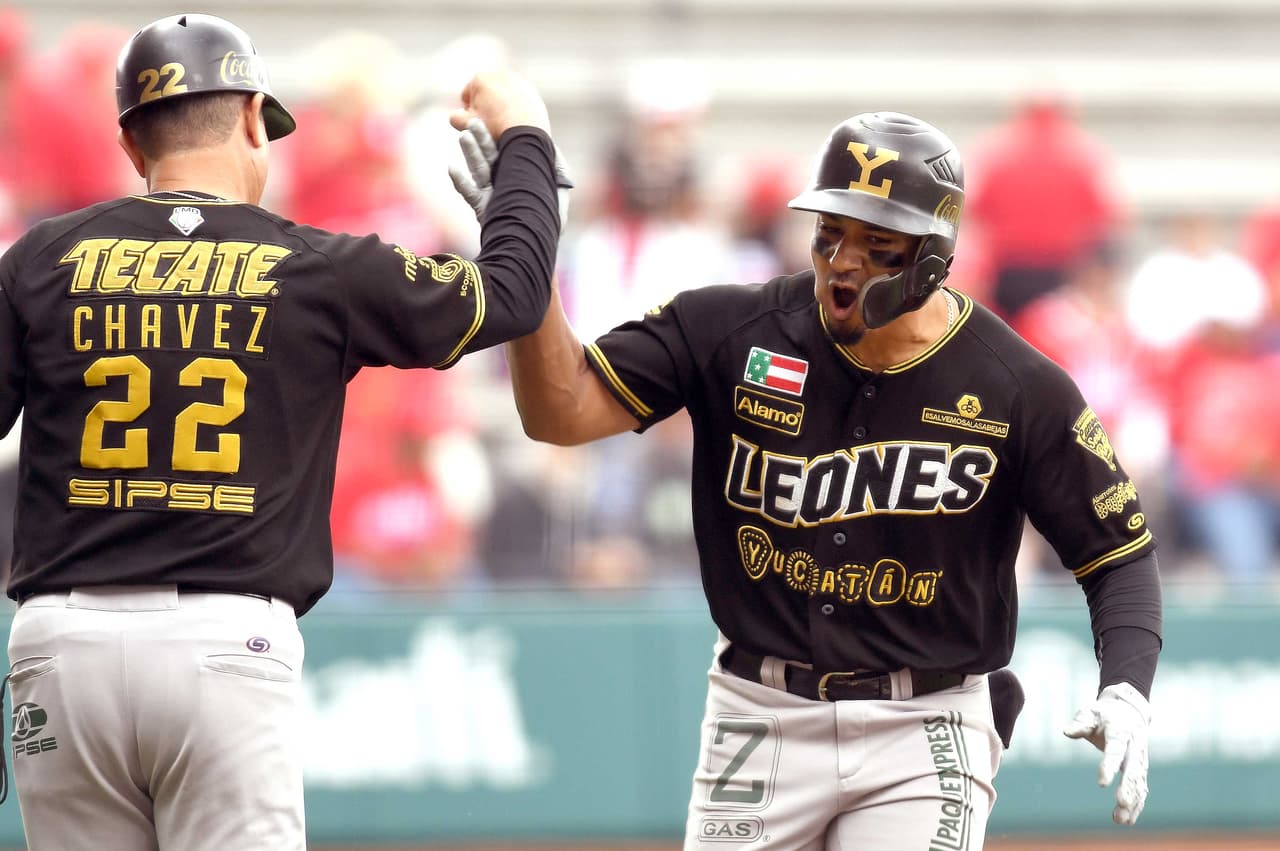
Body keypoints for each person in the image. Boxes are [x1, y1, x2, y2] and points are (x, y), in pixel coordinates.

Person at [453, 111, 1162, 846]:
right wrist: (524, 265)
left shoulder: (1018, 384)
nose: (843, 262)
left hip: (923, 721)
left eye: (876, 244)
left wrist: (1127, 688)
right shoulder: (732, 329)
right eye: (831, 234)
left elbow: (1118, 556)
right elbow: (559, 410)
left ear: (932, 258)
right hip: (758, 710)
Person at [0, 12, 561, 851]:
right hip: (225, 641)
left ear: (129, 142)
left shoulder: (38, 260)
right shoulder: (316, 267)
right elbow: (512, 295)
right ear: (255, 119)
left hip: (60, 646)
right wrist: (525, 146)